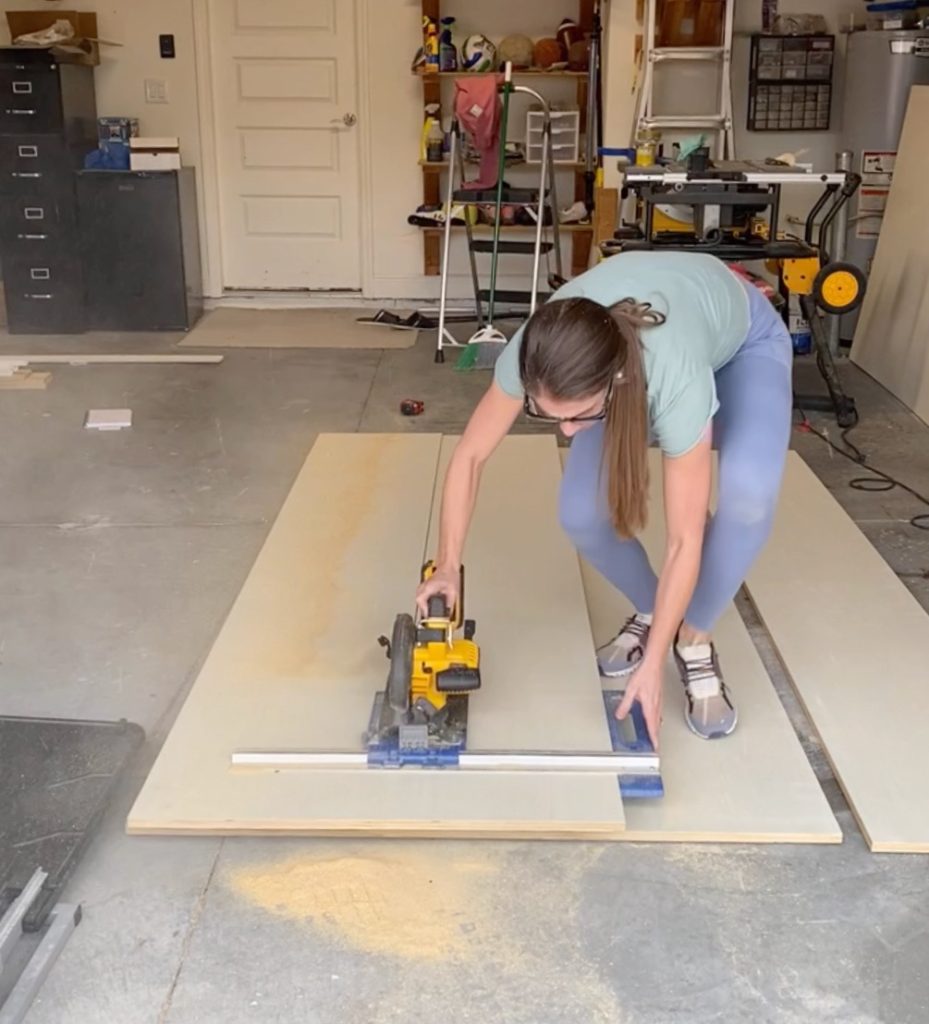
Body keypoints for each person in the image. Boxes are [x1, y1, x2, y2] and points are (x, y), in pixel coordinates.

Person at [416, 251, 793, 749]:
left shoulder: (673, 374)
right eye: (550, 416)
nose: (568, 432)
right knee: (581, 514)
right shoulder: (538, 350)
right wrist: (447, 565)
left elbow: (684, 539)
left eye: (579, 416)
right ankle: (654, 610)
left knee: (748, 497)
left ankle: (693, 638)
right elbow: (469, 456)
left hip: (743, 344)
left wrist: (654, 664)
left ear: (613, 382)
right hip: (628, 352)